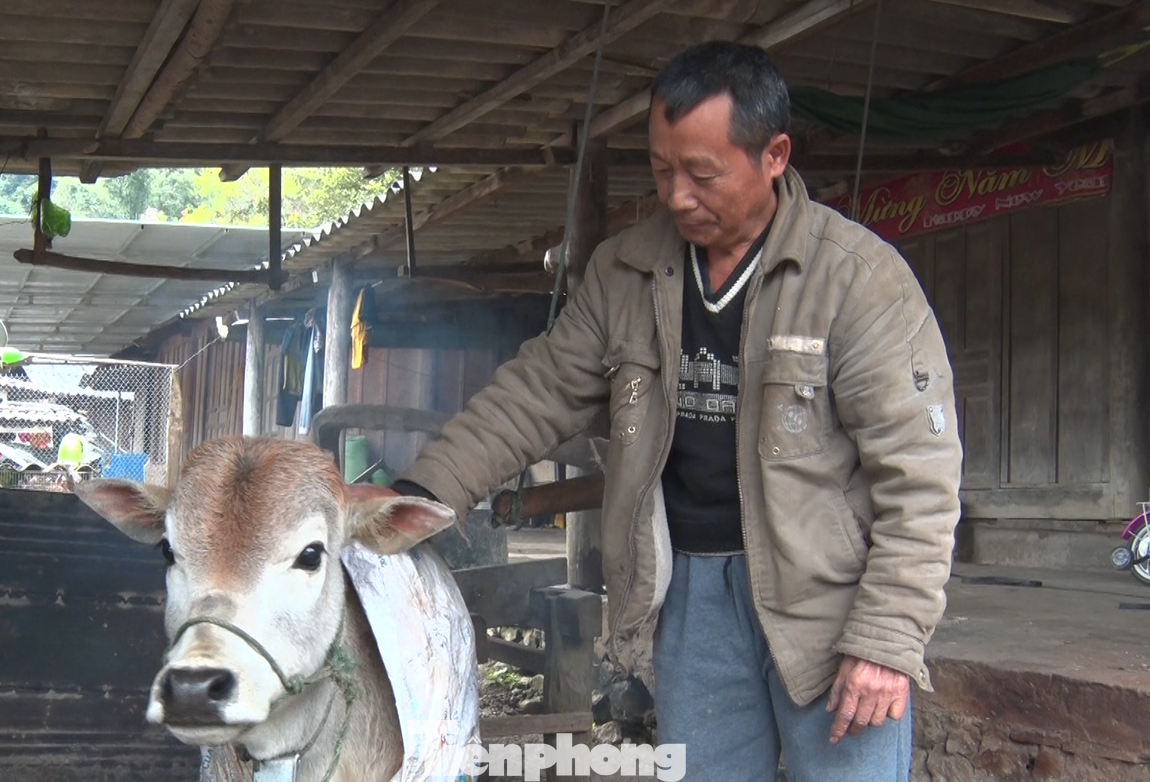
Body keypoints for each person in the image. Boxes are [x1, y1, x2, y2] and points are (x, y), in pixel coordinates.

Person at [386, 40, 963, 780]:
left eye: (702, 173)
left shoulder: (858, 281)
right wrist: (420, 493)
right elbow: (537, 391)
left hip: (828, 601)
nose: (678, 195)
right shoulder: (625, 273)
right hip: (692, 597)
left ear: (775, 155)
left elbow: (921, 478)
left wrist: (885, 636)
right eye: (662, 169)